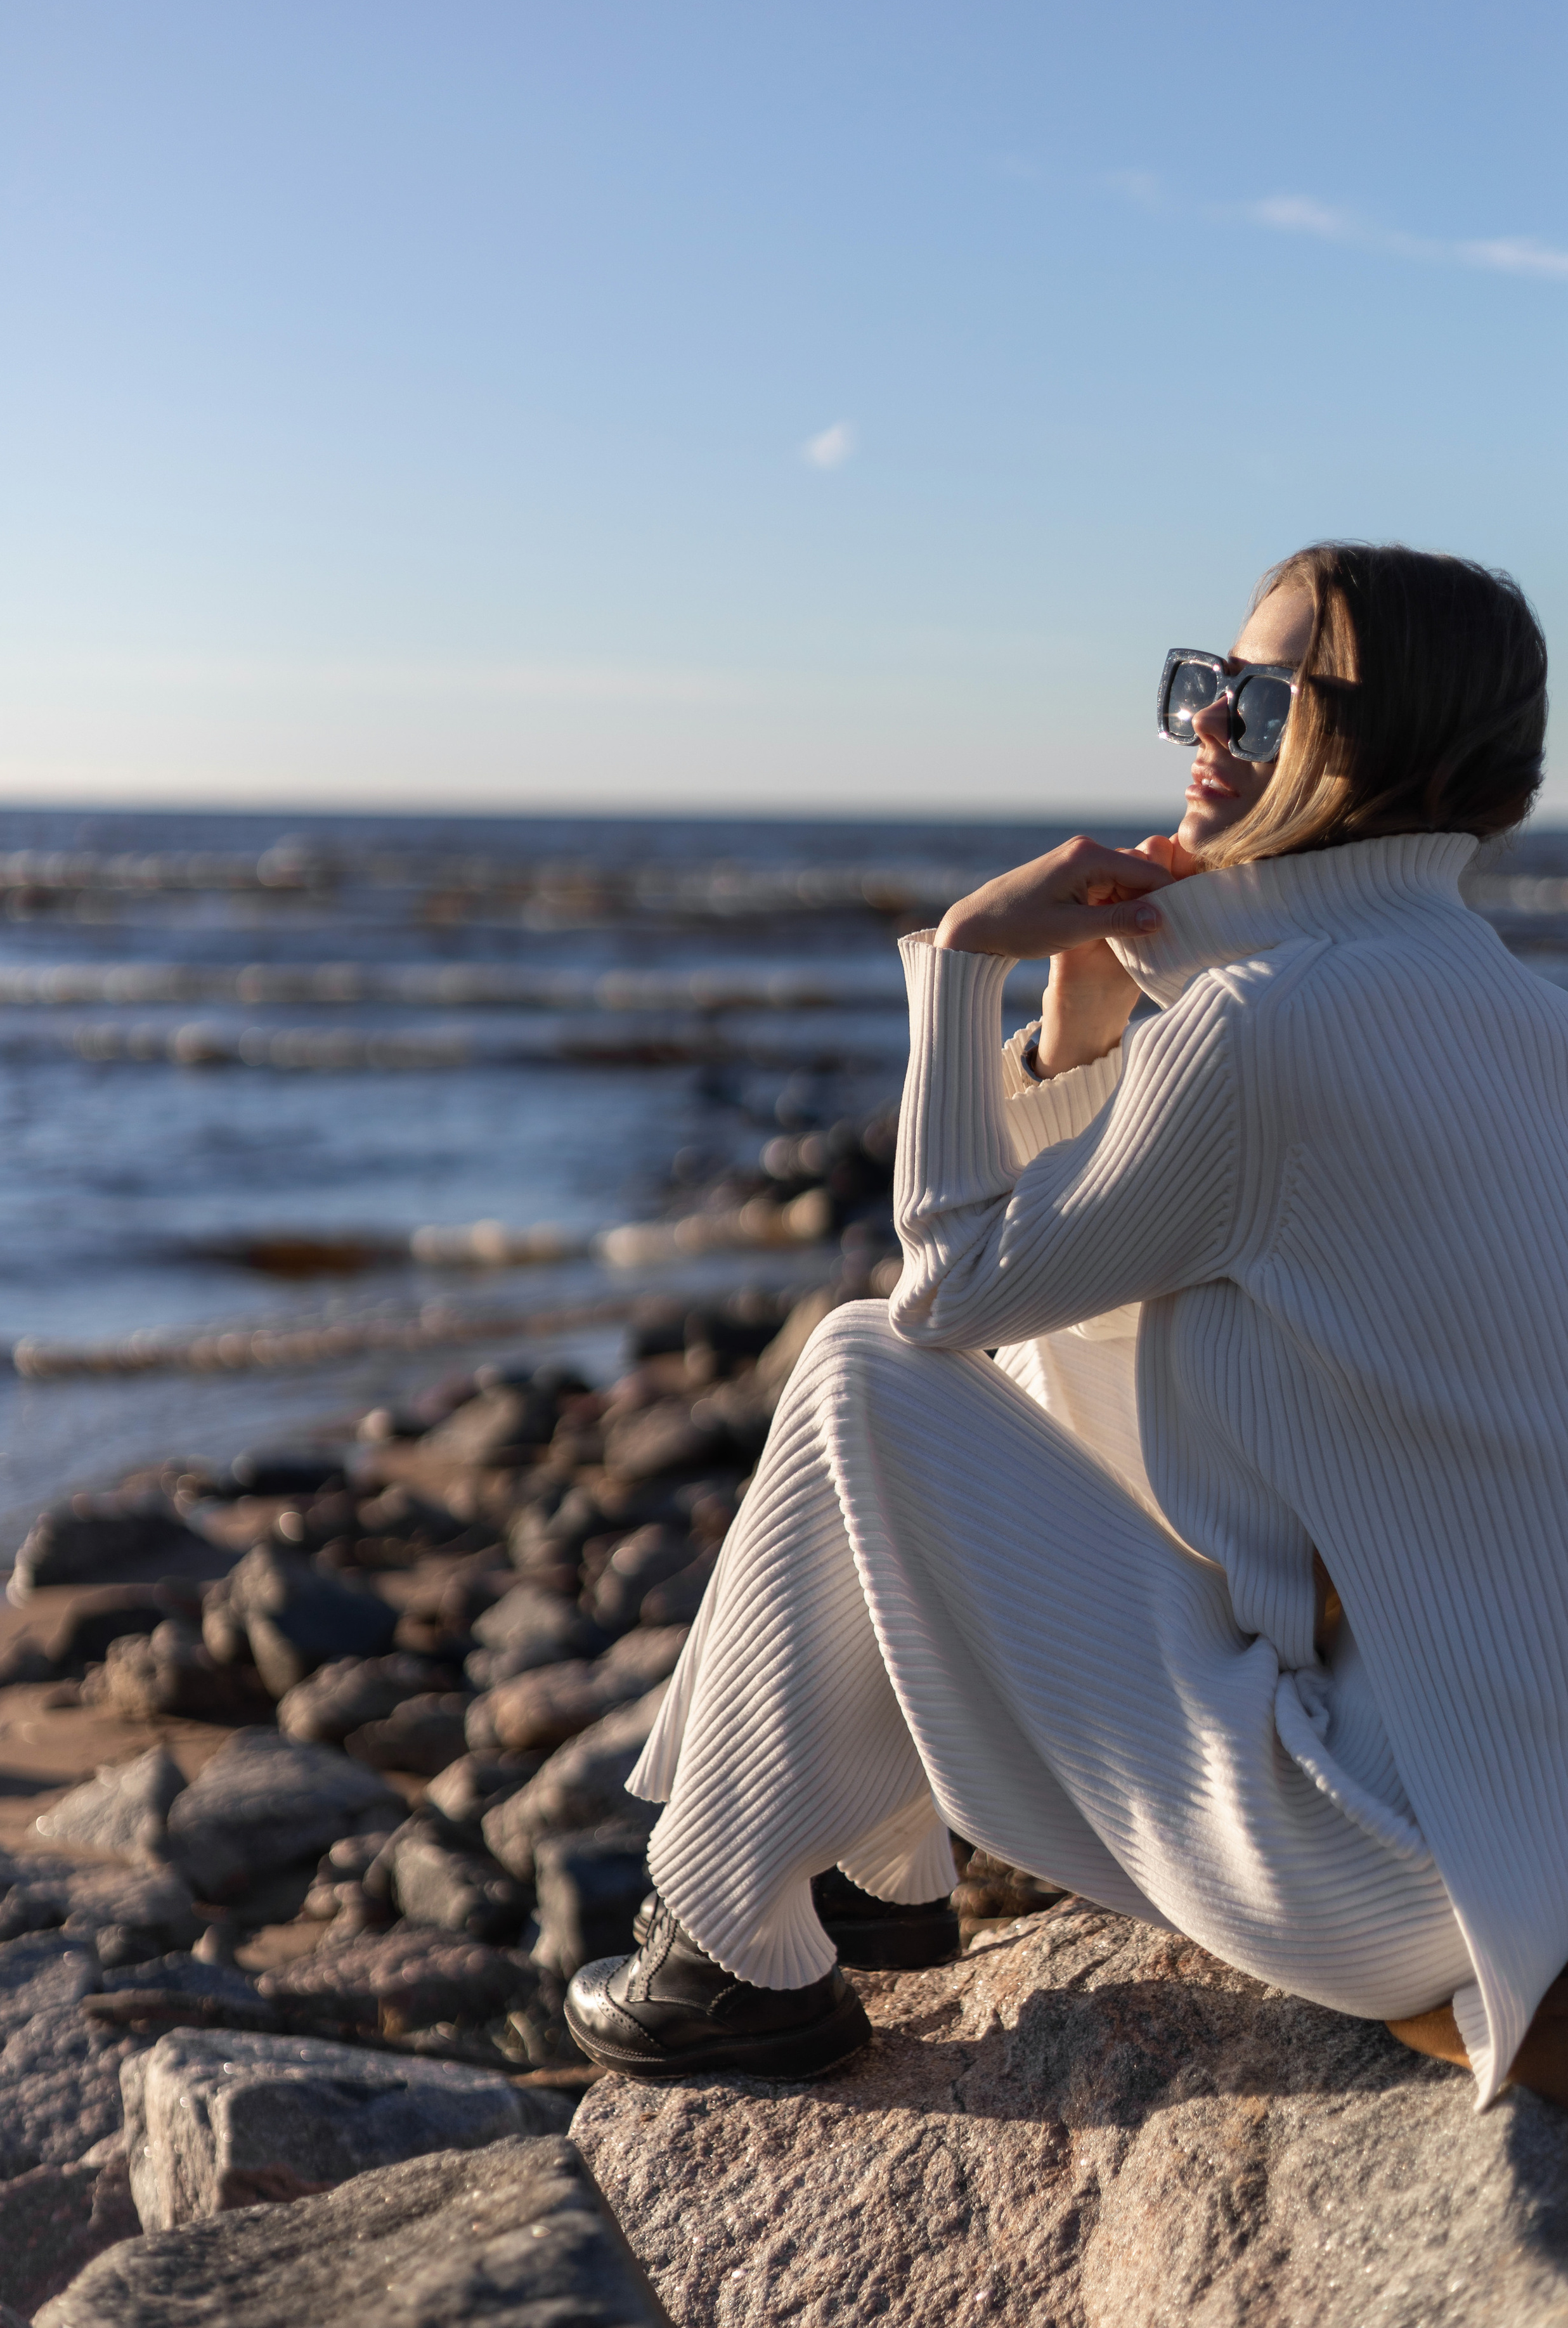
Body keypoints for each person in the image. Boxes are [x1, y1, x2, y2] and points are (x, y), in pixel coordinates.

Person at [566, 543, 1562, 2111]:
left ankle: (726, 1949)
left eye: (1260, 695)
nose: (1206, 729)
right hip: (1514, 1836)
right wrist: (1091, 1013)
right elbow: (1064, 1295)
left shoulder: (1262, 1027)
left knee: (859, 1371)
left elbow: (945, 1294)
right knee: (1067, 1354)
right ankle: (861, 1871)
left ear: (1388, 742)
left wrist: (968, 965)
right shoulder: (1517, 1013)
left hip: (1381, 1852)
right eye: (1204, 686)